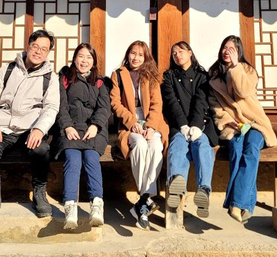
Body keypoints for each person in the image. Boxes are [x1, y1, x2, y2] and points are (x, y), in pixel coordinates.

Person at [0, 29, 60, 221]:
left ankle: (39, 193)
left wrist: (39, 129)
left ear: (48, 53)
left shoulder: (50, 77)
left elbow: (51, 107)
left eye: (44, 49)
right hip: (3, 126)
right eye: (35, 46)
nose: (38, 51)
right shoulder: (7, 69)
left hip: (30, 129)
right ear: (28, 46)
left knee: (42, 150)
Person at [207, 35, 277, 223]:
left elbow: (244, 92)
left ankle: (235, 203)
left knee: (251, 150)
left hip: (256, 123)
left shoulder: (248, 70)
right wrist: (227, 121)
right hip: (234, 125)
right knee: (237, 151)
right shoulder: (213, 76)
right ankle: (244, 204)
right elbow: (214, 105)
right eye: (224, 48)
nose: (226, 51)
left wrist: (236, 68)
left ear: (238, 52)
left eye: (232, 49)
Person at [110, 40, 169, 230]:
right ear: (128, 54)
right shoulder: (118, 75)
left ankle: (142, 200)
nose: (136, 58)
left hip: (151, 121)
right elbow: (115, 103)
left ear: (146, 58)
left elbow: (156, 104)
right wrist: (133, 122)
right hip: (130, 124)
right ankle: (146, 198)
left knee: (156, 146)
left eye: (140, 55)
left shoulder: (151, 76)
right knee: (140, 146)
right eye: (133, 53)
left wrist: (151, 127)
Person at [53, 43, 110, 230]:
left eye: (88, 57)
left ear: (93, 61)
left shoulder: (100, 82)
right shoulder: (65, 79)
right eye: (81, 56)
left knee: (91, 158)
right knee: (72, 158)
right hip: (70, 129)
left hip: (93, 130)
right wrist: (67, 126)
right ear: (74, 58)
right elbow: (60, 106)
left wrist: (95, 125)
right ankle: (70, 206)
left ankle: (96, 206)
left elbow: (104, 108)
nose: (84, 61)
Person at [161, 41, 218, 218]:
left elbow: (200, 102)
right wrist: (183, 125)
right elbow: (171, 102)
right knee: (177, 145)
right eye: (174, 53)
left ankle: (204, 190)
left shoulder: (202, 76)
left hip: (200, 123)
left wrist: (195, 125)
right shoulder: (168, 76)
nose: (177, 55)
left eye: (181, 51)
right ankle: (177, 186)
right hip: (178, 125)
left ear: (190, 52)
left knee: (202, 145)